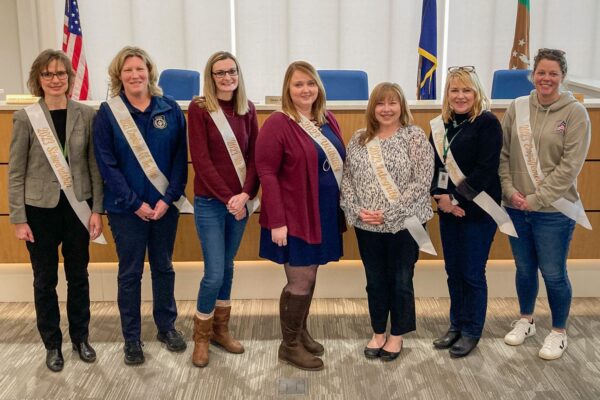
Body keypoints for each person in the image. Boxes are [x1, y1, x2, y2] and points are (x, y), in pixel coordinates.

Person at [93, 46, 190, 365]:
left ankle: (166, 327)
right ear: (118, 76)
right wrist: (135, 204)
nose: (135, 75)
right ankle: (132, 338)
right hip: (126, 210)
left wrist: (168, 199)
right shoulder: (108, 114)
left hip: (165, 208)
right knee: (130, 272)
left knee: (163, 267)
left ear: (150, 72)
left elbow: (179, 161)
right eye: (128, 70)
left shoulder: (170, 109)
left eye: (140, 69)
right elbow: (107, 165)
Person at [8, 49, 103, 372]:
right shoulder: (25, 117)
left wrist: (97, 210)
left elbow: (94, 166)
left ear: (69, 78)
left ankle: (81, 338)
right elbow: (15, 172)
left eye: (61, 73)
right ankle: (53, 344)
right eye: (47, 74)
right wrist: (18, 219)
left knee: (79, 277)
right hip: (39, 212)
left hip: (78, 209)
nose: (55, 79)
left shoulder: (86, 115)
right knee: (44, 280)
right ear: (38, 79)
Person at [499, 48, 591, 360]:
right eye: (541, 72)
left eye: (553, 73)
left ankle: (558, 331)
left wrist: (537, 199)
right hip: (516, 206)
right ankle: (526, 320)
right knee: (524, 268)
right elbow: (504, 155)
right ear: (532, 75)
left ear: (562, 77)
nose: (546, 78)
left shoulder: (575, 113)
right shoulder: (518, 107)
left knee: (553, 272)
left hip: (554, 210)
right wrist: (510, 191)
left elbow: (570, 167)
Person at [256, 61, 346, 371]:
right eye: (298, 84)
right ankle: (289, 345)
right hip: (294, 215)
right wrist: (277, 221)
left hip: (321, 212)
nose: (305, 89)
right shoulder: (278, 123)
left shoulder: (327, 120)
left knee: (310, 276)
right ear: (288, 89)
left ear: (318, 87)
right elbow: (266, 172)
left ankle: (300, 331)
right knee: (300, 280)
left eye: (310, 83)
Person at [341, 82, 434, 361]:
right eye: (381, 103)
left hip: (404, 224)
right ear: (373, 107)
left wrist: (389, 214)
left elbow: (421, 182)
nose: (386, 109)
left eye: (392, 103)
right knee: (375, 281)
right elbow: (347, 179)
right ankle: (378, 331)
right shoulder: (359, 139)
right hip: (367, 226)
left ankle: (397, 335)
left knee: (401, 279)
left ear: (401, 106)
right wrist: (356, 210)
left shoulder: (414, 136)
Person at [187, 51, 260, 367]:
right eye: (220, 73)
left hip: (239, 204)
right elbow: (201, 161)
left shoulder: (249, 109)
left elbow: (257, 157)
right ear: (210, 76)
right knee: (214, 271)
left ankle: (220, 330)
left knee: (228, 267)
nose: (227, 77)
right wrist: (230, 197)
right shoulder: (200, 109)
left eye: (232, 71)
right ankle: (201, 337)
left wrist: (245, 195)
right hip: (210, 204)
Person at [429, 67, 503, 358]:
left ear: (476, 93)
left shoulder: (487, 123)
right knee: (453, 271)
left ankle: (472, 330)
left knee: (472, 273)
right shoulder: (440, 125)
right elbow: (433, 167)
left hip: (479, 211)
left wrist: (456, 199)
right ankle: (456, 324)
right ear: (447, 94)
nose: (460, 96)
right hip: (449, 211)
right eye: (454, 90)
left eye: (466, 90)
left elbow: (485, 171)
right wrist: (441, 198)